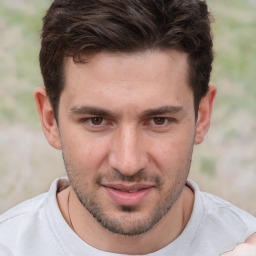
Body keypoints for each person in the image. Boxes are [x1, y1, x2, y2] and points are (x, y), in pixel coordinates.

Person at [0, 0, 255, 255]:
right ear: (50, 119)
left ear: (202, 116)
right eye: (96, 120)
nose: (128, 163)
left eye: (159, 120)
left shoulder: (242, 238)